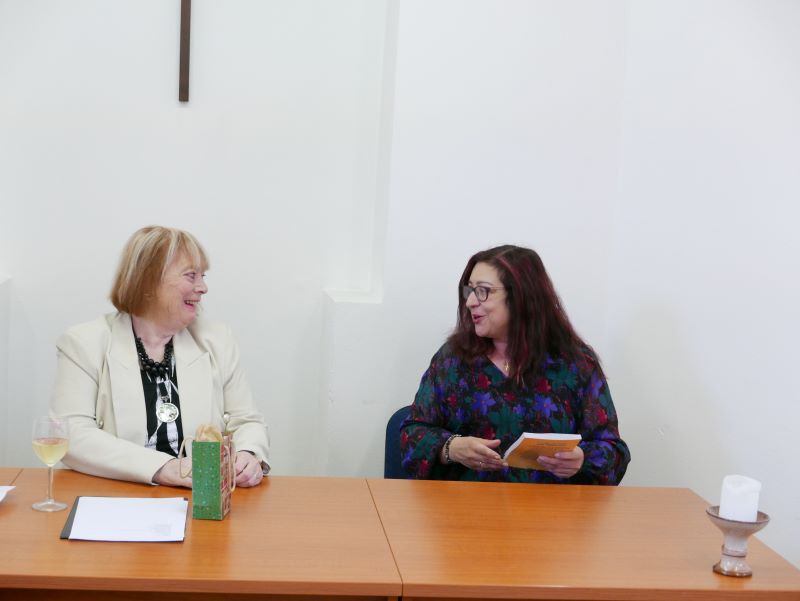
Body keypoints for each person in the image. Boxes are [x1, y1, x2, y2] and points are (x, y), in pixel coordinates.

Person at [50, 226, 269, 488]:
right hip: (115, 494)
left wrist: (248, 453)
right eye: (191, 275)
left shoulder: (217, 339)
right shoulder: (83, 343)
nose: (203, 288)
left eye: (202, 276)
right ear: (148, 281)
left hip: (202, 496)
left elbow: (246, 421)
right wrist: (163, 468)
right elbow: (71, 435)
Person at [400, 245, 630, 484]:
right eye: (469, 290)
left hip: (552, 506)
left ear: (521, 295)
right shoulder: (452, 360)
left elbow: (615, 453)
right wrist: (452, 448)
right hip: (467, 504)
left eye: (483, 291)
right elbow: (412, 435)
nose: (470, 302)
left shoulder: (576, 364)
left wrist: (582, 458)